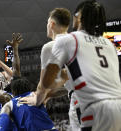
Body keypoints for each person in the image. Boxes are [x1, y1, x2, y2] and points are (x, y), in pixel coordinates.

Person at [28, 1, 121, 131]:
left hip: (92, 107)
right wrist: (64, 78)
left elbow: (46, 84)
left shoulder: (68, 41)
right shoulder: (109, 44)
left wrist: (38, 99)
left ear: (78, 17)